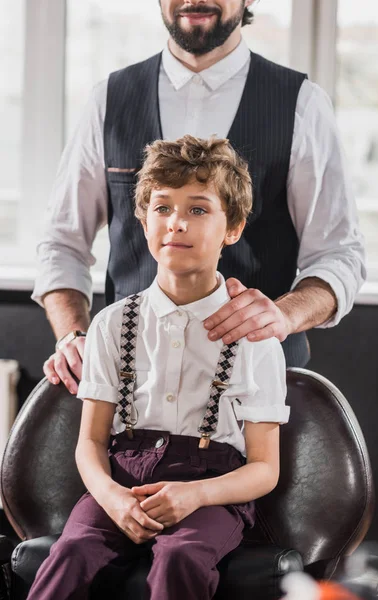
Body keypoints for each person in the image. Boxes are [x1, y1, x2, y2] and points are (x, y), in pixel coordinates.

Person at [33, 0, 366, 395]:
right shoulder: (108, 99)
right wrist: (73, 334)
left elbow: (339, 255)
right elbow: (61, 243)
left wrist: (283, 314)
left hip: (261, 386)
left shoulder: (303, 104)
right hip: (130, 388)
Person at [27, 135, 289, 600]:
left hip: (212, 490)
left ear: (234, 227)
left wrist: (197, 495)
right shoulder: (110, 326)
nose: (176, 224)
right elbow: (91, 441)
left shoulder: (254, 336)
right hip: (120, 481)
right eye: (163, 208)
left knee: (180, 557)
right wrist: (110, 497)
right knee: (71, 554)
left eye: (198, 210)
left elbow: (265, 468)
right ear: (143, 219)